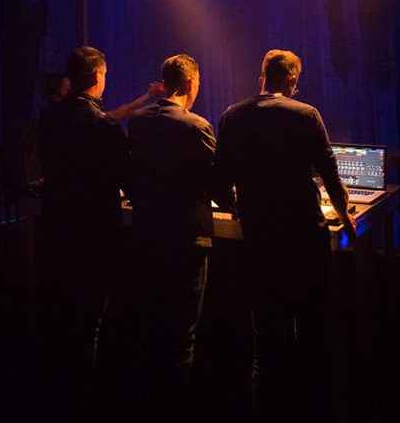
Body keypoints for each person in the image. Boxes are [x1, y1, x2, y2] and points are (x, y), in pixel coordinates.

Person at [214, 49, 357, 421]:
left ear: (262, 77)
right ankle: (314, 408)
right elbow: (329, 174)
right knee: (313, 330)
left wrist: (239, 208)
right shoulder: (305, 115)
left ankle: (268, 409)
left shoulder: (232, 116)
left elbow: (219, 180)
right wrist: (344, 216)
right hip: (304, 239)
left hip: (259, 240)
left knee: (266, 335)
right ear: (292, 79)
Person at [36, 46, 162, 423]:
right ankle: (84, 404)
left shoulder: (49, 118)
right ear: (96, 76)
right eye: (105, 74)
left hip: (56, 230)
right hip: (93, 235)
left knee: (60, 317)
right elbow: (128, 179)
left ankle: (53, 400)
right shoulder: (101, 126)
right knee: (91, 321)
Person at [127, 54, 216, 421]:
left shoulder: (138, 121)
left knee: (151, 327)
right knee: (182, 334)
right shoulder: (196, 125)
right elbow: (216, 183)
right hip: (186, 239)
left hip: (147, 236)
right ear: (191, 83)